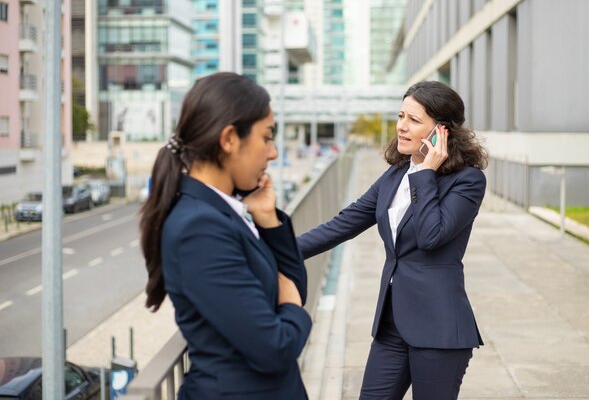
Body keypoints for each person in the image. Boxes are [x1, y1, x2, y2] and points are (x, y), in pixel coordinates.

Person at [298, 80, 489, 400]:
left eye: (414, 120)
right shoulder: (394, 176)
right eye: (401, 116)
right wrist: (270, 250)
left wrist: (425, 172)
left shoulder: (467, 181)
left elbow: (431, 236)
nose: (401, 127)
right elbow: (342, 225)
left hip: (438, 330)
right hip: (391, 325)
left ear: (442, 131)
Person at [140, 72, 312, 400]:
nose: (273, 153)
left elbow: (294, 286)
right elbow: (274, 347)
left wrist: (269, 220)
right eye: (266, 137)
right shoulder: (198, 229)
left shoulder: (223, 210)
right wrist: (292, 306)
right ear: (229, 138)